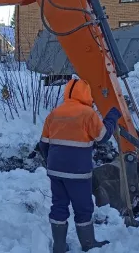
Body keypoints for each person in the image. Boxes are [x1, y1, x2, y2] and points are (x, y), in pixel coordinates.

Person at [38, 78, 122, 253]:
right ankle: (89, 245)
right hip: (78, 173)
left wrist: (51, 163)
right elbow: (102, 137)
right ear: (86, 94)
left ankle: (59, 246)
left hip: (55, 171)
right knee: (83, 208)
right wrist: (113, 116)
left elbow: (43, 144)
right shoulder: (87, 114)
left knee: (59, 206)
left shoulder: (55, 113)